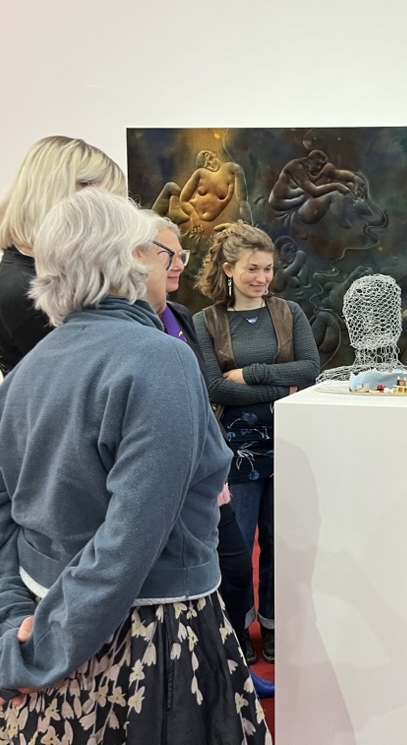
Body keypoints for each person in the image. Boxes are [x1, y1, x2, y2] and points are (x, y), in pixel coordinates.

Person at [0, 189, 269, 744]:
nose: (171, 264)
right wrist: (33, 649)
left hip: (43, 634)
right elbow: (130, 539)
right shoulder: (161, 360)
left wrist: (4, 631)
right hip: (144, 645)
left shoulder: (30, 368)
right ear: (134, 258)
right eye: (164, 253)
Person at [194, 221, 321, 664]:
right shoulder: (205, 321)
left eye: (268, 269)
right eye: (253, 268)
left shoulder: (289, 312)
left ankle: (273, 625)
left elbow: (310, 369)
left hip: (290, 443)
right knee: (237, 547)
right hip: (235, 451)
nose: (263, 278)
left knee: (280, 544)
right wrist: (281, 388)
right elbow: (214, 387)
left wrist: (252, 375)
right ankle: (236, 627)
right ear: (229, 269)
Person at [145, 216, 259, 665]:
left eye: (182, 255)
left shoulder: (179, 316)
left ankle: (234, 664)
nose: (179, 265)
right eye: (170, 255)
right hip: (169, 479)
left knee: (235, 570)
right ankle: (214, 670)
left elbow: (203, 391)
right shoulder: (133, 329)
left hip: (210, 473)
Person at [0, 135, 126, 375]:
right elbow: (95, 377)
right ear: (57, 193)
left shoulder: (37, 276)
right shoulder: (26, 291)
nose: (110, 217)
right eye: (104, 203)